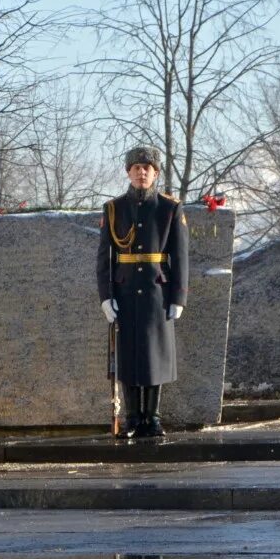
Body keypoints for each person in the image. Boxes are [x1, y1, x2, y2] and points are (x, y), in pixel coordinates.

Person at [96, 146, 190, 438]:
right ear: (128, 172)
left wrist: (178, 297)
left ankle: (153, 417)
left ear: (156, 173)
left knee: (154, 355)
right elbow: (105, 258)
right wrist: (105, 296)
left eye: (147, 168)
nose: (141, 173)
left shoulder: (169, 208)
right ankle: (133, 418)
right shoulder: (113, 209)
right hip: (124, 292)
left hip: (156, 292)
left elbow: (181, 256)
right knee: (128, 356)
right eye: (136, 168)